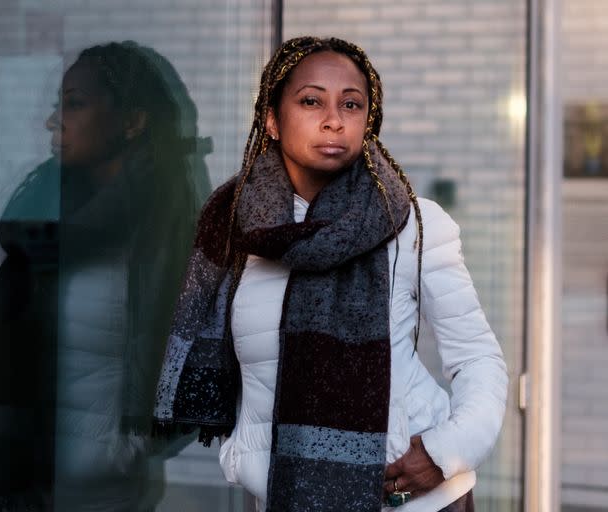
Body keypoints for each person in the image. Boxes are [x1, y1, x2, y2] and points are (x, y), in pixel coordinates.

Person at [153, 36, 508, 512]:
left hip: (412, 498)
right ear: (272, 120)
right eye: (311, 100)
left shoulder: (414, 226)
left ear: (367, 121)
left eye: (351, 104)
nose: (333, 119)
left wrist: (444, 452)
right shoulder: (236, 231)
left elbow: (478, 359)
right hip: (285, 494)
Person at [0, 41, 210, 510]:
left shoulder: (162, 226)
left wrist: (129, 449)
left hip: (103, 487)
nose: (53, 121)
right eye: (56, 105)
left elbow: (192, 353)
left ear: (132, 121)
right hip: (20, 480)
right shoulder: (40, 209)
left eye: (75, 104)